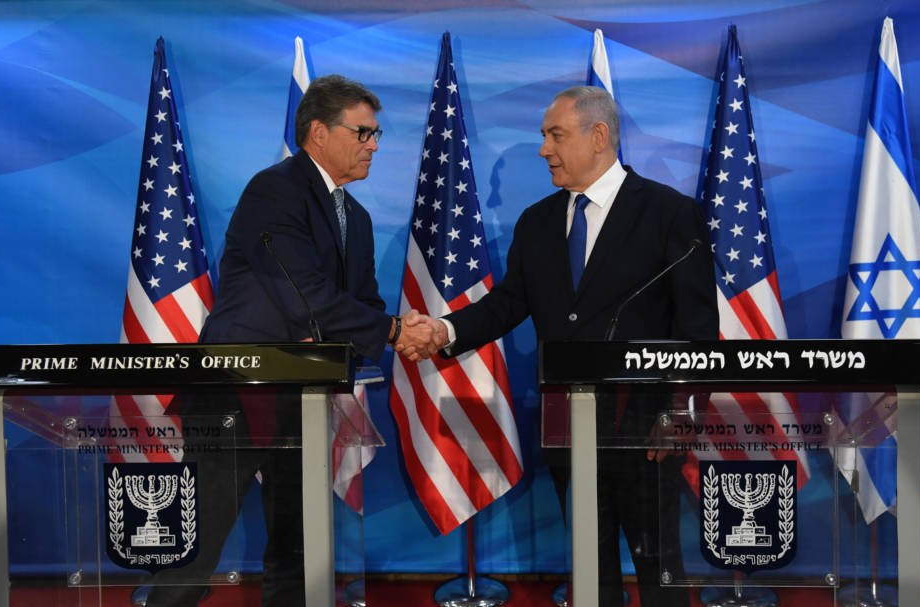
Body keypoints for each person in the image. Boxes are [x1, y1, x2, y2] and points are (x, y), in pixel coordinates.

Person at [418, 86, 718, 607]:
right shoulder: (537, 222)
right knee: (588, 563)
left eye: (555, 135)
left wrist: (682, 416)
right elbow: (508, 304)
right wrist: (443, 331)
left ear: (598, 136)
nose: (544, 150)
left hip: (645, 428)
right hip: (566, 424)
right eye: (543, 137)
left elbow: (698, 331)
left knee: (659, 564)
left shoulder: (671, 215)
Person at [147, 74, 436, 606]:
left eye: (377, 135)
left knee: (296, 544)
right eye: (364, 132)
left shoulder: (360, 218)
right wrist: (396, 332)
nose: (374, 145)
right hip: (237, 390)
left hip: (303, 397)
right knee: (198, 545)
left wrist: (392, 329)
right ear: (319, 133)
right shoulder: (275, 189)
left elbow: (364, 303)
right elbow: (301, 290)